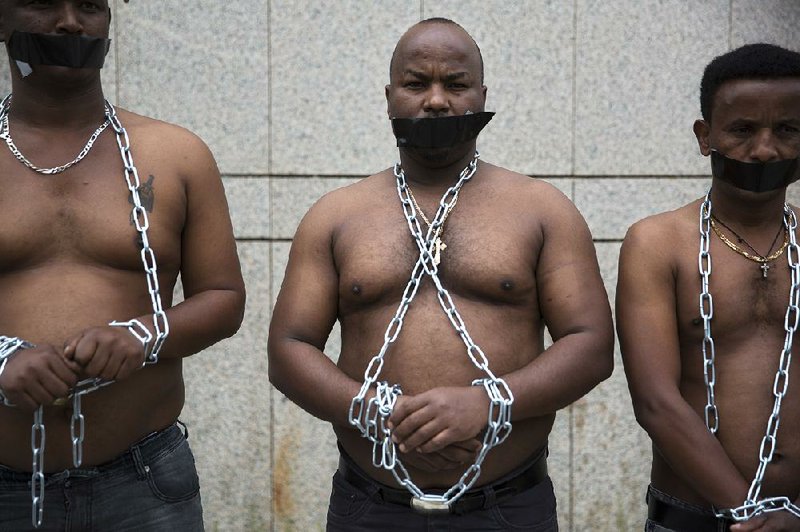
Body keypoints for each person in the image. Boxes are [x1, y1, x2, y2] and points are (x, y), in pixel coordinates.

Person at [269, 17, 613, 531]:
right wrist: (379, 415)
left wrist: (488, 404)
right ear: (389, 97)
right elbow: (288, 349)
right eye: (416, 83)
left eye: (455, 84)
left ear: (481, 94)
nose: (435, 100)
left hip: (507, 506)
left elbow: (590, 345)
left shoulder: (542, 209)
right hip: (370, 507)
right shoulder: (336, 215)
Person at [0, 1, 245, 530]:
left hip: (144, 482)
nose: (70, 22)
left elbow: (224, 299)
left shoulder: (176, 154)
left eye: (89, 5)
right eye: (43, 3)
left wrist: (144, 335)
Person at [618, 43, 800, 532]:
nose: (764, 150)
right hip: (691, 518)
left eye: (787, 130)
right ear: (705, 136)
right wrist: (752, 517)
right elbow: (656, 401)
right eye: (742, 130)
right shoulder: (657, 244)